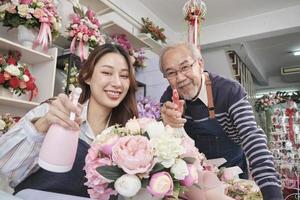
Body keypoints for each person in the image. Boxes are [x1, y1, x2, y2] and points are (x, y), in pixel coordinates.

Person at [0, 43, 138, 197]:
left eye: (124, 76)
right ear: (87, 76)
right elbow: (5, 167)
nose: (117, 83)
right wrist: (43, 125)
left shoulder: (129, 137)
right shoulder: (53, 112)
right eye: (106, 72)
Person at [159, 43, 283, 200]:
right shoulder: (169, 98)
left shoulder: (230, 91)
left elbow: (252, 138)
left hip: (234, 178)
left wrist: (271, 192)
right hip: (196, 182)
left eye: (185, 67)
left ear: (200, 63)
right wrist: (168, 124)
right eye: (171, 73)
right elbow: (162, 147)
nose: (180, 78)